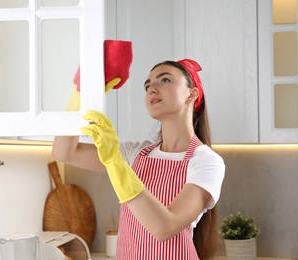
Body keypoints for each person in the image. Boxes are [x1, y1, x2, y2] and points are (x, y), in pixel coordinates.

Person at [52, 59, 225, 260]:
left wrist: (115, 162)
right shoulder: (136, 153)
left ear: (192, 94)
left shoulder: (206, 162)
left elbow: (164, 227)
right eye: (147, 85)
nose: (152, 89)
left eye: (165, 80)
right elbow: (64, 152)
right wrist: (81, 95)